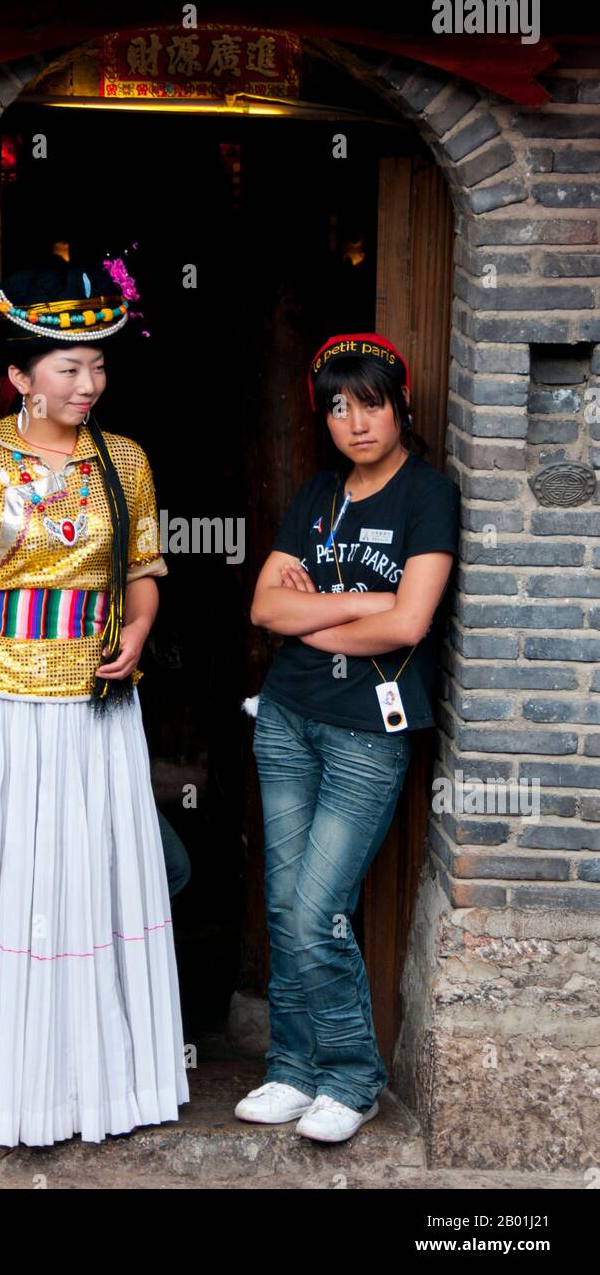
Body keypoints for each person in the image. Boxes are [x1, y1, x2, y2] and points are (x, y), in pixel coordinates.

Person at [0, 249, 190, 1146]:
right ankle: (20, 1098)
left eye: (98, 366)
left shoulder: (124, 461)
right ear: (19, 376)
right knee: (16, 892)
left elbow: (143, 572)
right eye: (69, 369)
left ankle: (106, 1089)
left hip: (99, 708)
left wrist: (136, 626)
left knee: (97, 885)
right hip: (4, 706)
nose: (90, 383)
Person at [235, 333, 460, 1144]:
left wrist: (322, 613)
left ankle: (352, 1077)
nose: (356, 422)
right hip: (288, 719)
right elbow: (266, 610)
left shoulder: (428, 496)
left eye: (370, 403)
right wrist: (365, 606)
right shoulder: (318, 496)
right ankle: (293, 1071)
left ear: (400, 404)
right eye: (337, 406)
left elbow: (411, 622)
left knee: (317, 909)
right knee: (286, 900)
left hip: (370, 731)